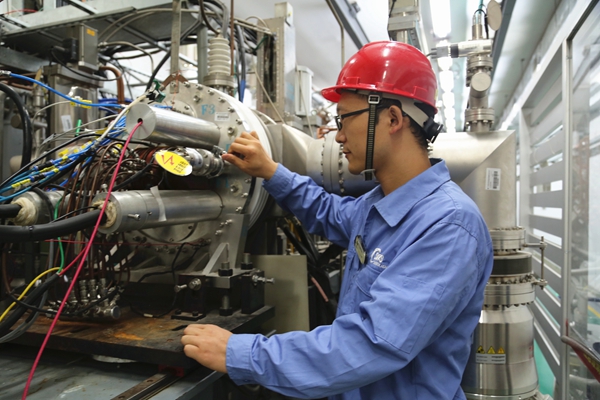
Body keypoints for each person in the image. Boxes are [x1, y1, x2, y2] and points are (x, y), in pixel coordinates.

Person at [181, 41, 494, 399]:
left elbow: (371, 344)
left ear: (393, 119)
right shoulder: (378, 203)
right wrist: (270, 171)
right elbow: (327, 211)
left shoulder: (448, 225)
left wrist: (241, 354)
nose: (339, 136)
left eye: (344, 119)